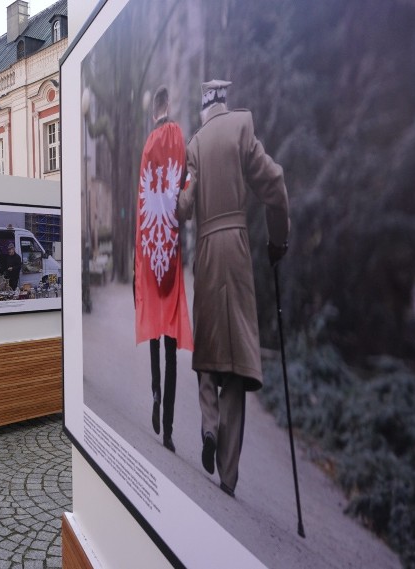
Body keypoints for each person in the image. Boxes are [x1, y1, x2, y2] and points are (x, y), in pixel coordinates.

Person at [176, 80, 290, 497]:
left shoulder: (195, 145)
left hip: (207, 252)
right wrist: (278, 241)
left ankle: (208, 426)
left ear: (203, 109)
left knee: (208, 348)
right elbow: (274, 185)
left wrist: (172, 200)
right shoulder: (243, 127)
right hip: (238, 250)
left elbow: (184, 207)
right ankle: (228, 472)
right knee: (238, 357)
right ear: (225, 102)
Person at [134, 86, 194, 454]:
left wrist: (139, 258)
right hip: (170, 247)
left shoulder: (146, 147)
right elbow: (185, 187)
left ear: (153, 109)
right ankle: (169, 429)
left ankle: (155, 393)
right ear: (168, 106)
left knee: (154, 329)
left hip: (150, 245)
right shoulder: (178, 138)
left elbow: (141, 202)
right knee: (171, 337)